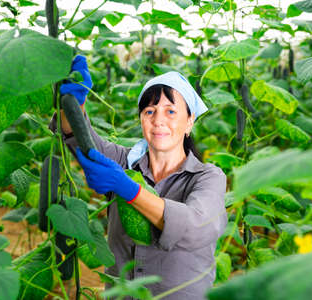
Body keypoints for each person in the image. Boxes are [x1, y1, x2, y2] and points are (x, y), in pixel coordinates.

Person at [55, 55, 227, 300]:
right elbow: (80, 140)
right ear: (141, 119)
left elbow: (196, 228)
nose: (158, 120)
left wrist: (130, 190)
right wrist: (73, 104)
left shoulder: (207, 177)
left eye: (170, 111)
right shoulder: (124, 162)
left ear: (189, 122)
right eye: (149, 111)